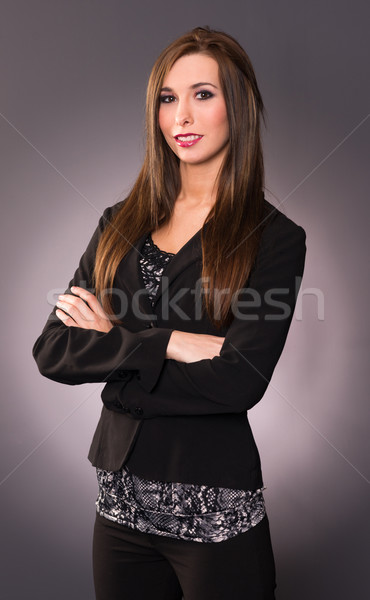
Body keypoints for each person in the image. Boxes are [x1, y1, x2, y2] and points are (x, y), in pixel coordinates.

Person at [33, 26, 306, 600]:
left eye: (203, 94)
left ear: (240, 106)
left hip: (215, 511)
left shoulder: (273, 238)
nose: (181, 114)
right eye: (167, 97)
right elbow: (53, 351)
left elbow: (237, 381)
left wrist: (113, 345)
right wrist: (169, 341)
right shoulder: (118, 223)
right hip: (120, 509)